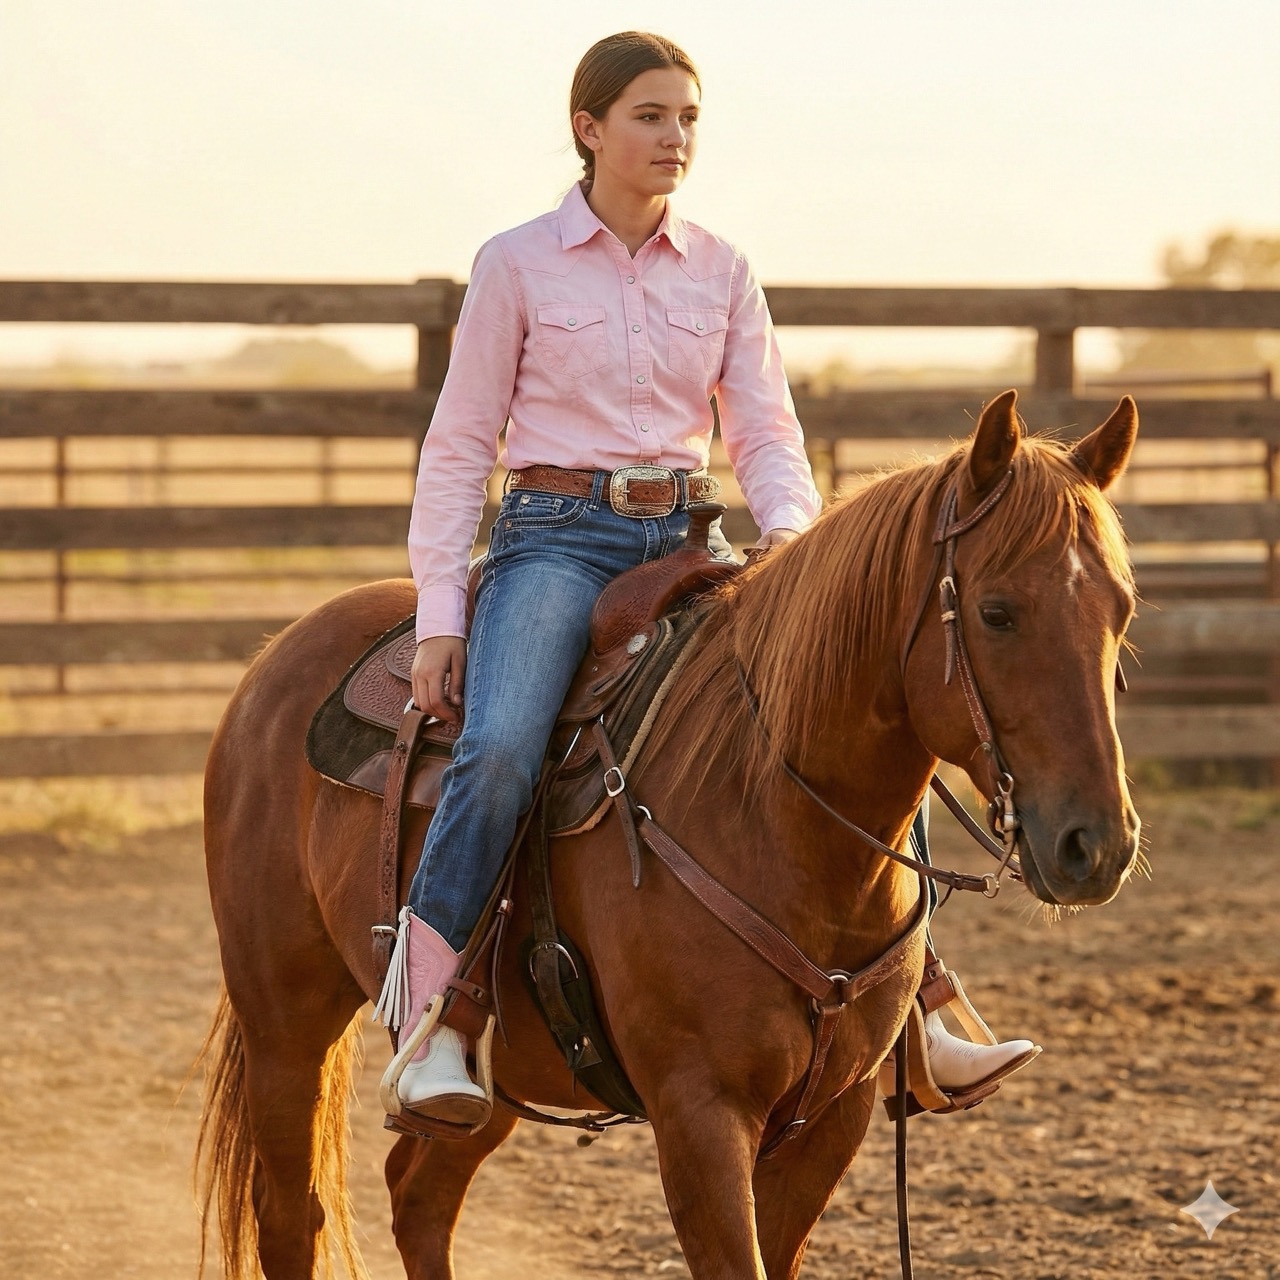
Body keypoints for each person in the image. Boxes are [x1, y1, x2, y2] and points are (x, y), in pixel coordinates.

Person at [373, 31, 1035, 1131]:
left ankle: (918, 1006)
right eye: (647, 116)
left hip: (687, 537)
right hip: (551, 538)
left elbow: (768, 433)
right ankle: (436, 1017)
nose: (671, 137)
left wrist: (798, 554)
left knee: (855, 715)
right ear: (588, 129)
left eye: (685, 117)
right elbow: (457, 449)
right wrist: (443, 614)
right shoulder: (516, 263)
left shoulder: (722, 267)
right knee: (496, 750)